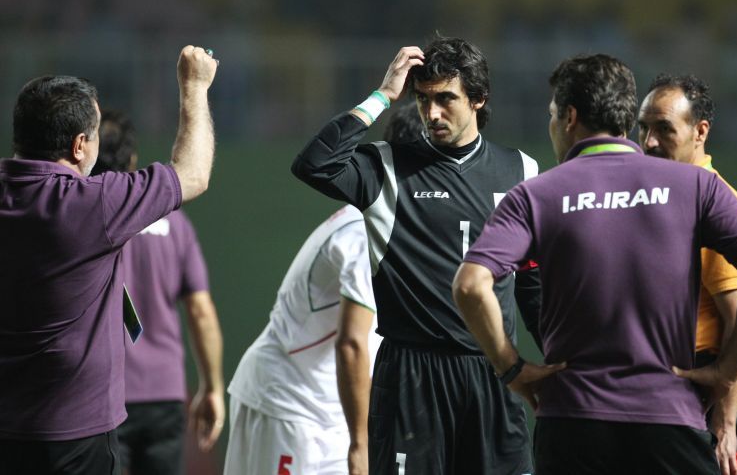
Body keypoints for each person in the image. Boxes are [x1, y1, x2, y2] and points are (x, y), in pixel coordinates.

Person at [452, 53, 737, 475]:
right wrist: (727, 373)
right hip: (669, 421)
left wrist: (512, 369)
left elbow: (470, 285)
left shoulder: (534, 195)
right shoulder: (698, 186)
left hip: (571, 421)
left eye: (552, 115)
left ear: (569, 118)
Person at [292, 37, 541, 474]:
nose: (432, 113)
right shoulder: (385, 167)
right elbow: (314, 163)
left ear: (479, 98)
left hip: (493, 372)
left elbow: (532, 285)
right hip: (411, 378)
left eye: (446, 99)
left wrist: (557, 362)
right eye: (423, 100)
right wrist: (383, 95)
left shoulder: (521, 170)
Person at [0, 46, 218, 475]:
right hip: (76, 439)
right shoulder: (93, 205)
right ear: (80, 146)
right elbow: (193, 174)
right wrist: (194, 87)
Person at [224, 104, 423, 475]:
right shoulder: (364, 231)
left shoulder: (403, 227)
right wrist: (361, 443)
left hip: (327, 412)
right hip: (289, 409)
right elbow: (352, 344)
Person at [91, 109, 225, 475]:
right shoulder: (174, 223)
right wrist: (212, 386)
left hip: (104, 394)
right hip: (165, 393)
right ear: (133, 158)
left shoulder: (82, 217)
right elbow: (200, 310)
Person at [638, 74, 737, 473]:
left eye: (664, 129)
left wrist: (725, 421)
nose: (649, 142)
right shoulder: (665, 195)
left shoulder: (715, 204)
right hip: (660, 386)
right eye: (643, 128)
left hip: (701, 395)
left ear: (700, 132)